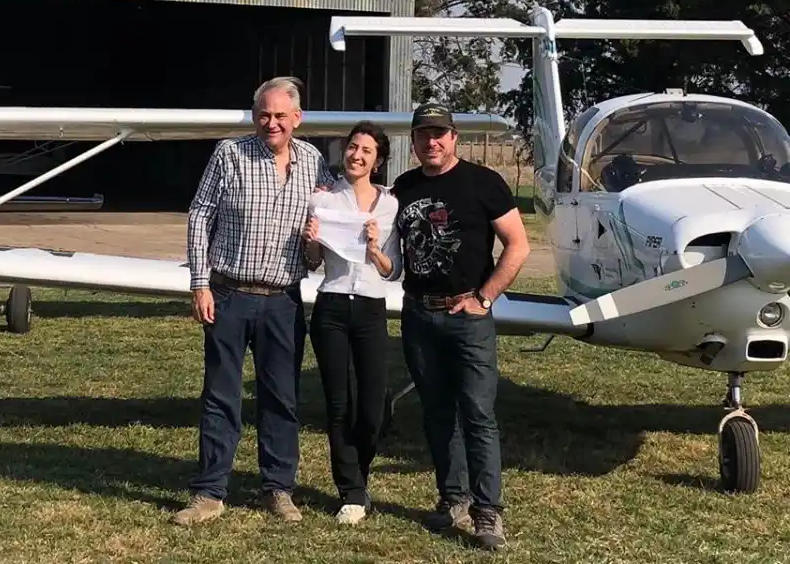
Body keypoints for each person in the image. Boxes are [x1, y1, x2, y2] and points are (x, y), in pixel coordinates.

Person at [172, 75, 335, 526]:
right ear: (254, 115)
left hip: (283, 299)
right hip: (229, 293)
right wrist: (200, 284)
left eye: (280, 115)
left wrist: (321, 241)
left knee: (281, 397)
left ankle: (278, 488)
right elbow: (200, 214)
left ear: (297, 118)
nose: (271, 123)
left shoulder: (313, 162)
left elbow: (328, 219)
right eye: (264, 115)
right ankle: (210, 492)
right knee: (221, 395)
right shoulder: (230, 153)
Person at [391, 102, 530, 551]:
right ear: (413, 141)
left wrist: (484, 298)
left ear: (454, 137)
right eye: (423, 134)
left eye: (440, 133)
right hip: (419, 314)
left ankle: (487, 511)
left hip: (467, 317)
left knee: (477, 413)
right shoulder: (404, 187)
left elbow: (518, 245)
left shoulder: (484, 183)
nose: (431, 141)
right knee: (436, 412)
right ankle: (453, 497)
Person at [301, 120, 403, 526]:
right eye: (352, 147)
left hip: (371, 308)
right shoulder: (323, 200)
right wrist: (311, 240)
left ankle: (359, 474)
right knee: (339, 403)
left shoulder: (390, 205)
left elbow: (393, 271)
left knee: (373, 405)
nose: (356, 155)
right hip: (331, 306)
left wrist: (375, 249)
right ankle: (352, 490)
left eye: (366, 151)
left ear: (377, 161)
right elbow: (312, 263)